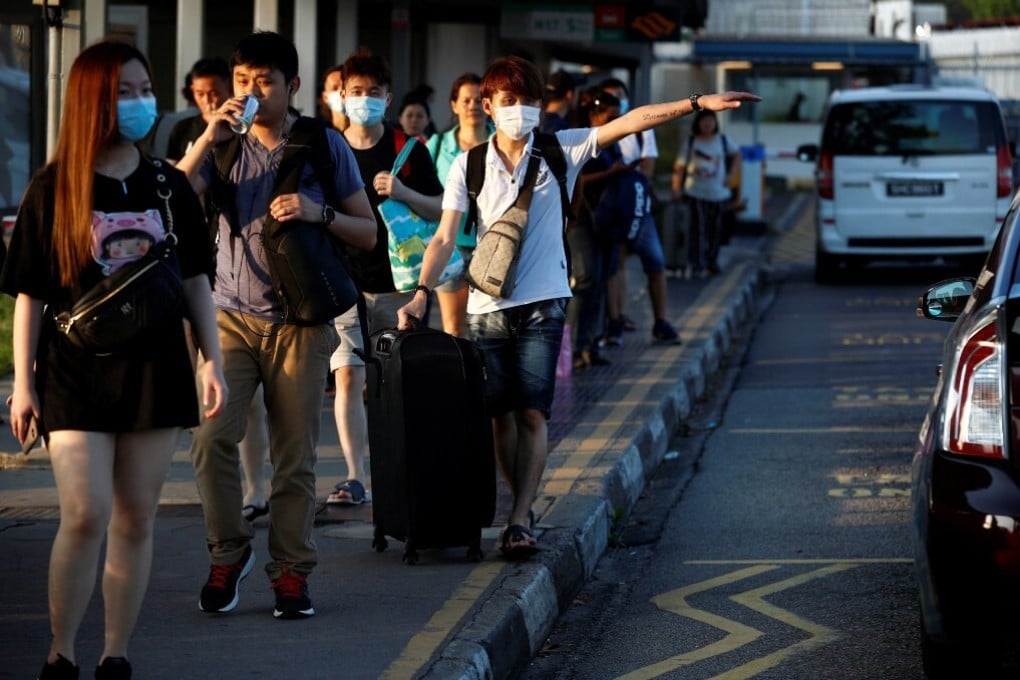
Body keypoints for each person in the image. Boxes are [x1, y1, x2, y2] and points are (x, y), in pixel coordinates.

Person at [396, 55, 759, 559]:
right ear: (488, 106)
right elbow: (443, 236)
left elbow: (631, 121)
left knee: (531, 415)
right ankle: (518, 500)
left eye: (528, 102)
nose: (519, 110)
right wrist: (420, 293)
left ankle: (521, 516)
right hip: (485, 306)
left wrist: (696, 103)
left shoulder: (561, 149)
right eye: (508, 102)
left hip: (546, 303)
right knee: (498, 417)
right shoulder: (469, 163)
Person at [1, 40, 227, 679]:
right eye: (123, 92)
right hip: (75, 370)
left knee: (135, 516)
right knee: (86, 512)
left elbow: (195, 283)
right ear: (92, 101)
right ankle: (60, 652)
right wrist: (23, 385)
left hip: (156, 367)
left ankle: (114, 655)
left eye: (143, 89)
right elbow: (32, 296)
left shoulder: (168, 184)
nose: (139, 103)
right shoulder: (55, 186)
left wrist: (209, 360)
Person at [175, 30, 376, 619]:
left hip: (300, 323)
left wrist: (321, 212)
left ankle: (290, 572)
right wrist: (208, 138)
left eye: (264, 82)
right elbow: (173, 203)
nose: (251, 93)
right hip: (229, 319)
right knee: (212, 440)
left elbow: (368, 232)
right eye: (243, 82)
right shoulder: (220, 143)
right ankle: (227, 551)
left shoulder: (322, 144)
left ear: (291, 86)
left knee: (295, 459)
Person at [325, 48, 444, 506]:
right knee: (349, 378)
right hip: (342, 283)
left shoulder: (407, 148)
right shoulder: (326, 146)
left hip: (398, 287)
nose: (364, 100)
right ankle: (356, 476)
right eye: (356, 92)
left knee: (398, 384)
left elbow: (440, 210)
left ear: (387, 97)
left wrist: (403, 191)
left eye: (373, 93)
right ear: (341, 95)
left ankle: (403, 471)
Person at [162, 56, 270, 525]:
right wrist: (207, 135)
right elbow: (175, 185)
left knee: (248, 400)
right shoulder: (191, 129)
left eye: (216, 92)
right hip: (192, 272)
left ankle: (256, 487)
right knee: (200, 386)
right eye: (201, 94)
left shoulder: (252, 133)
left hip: (238, 282)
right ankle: (202, 483)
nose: (210, 100)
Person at [425, 72, 493, 338]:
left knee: (489, 329)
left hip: (493, 247)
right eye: (466, 100)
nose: (473, 106)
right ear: (454, 105)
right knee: (454, 328)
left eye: (479, 100)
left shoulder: (503, 142)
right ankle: (462, 379)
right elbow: (423, 191)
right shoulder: (438, 144)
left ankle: (488, 379)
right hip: (449, 247)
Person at [599, 77, 663, 345]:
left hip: (637, 207)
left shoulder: (641, 127)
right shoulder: (599, 131)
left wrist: (633, 191)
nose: (617, 102)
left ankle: (661, 321)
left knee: (655, 261)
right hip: (611, 208)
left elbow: (647, 167)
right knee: (616, 264)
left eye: (619, 96)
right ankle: (616, 318)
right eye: (610, 97)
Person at [671, 109, 740, 277]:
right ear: (698, 123)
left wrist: (731, 175)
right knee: (697, 229)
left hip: (718, 193)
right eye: (704, 121)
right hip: (695, 192)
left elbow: (737, 155)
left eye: (710, 120)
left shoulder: (723, 141)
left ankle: (712, 261)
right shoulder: (691, 142)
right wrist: (676, 189)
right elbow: (679, 168)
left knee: (715, 229)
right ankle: (697, 263)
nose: (707, 124)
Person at [165, 57, 231, 162]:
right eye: (200, 94)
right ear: (192, 90)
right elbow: (172, 173)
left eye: (214, 94)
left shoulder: (240, 129)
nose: (206, 100)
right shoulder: (181, 129)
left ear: (230, 89)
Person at [319, 64, 349, 133]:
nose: (342, 91)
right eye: (335, 88)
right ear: (325, 97)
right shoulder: (320, 135)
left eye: (345, 86)